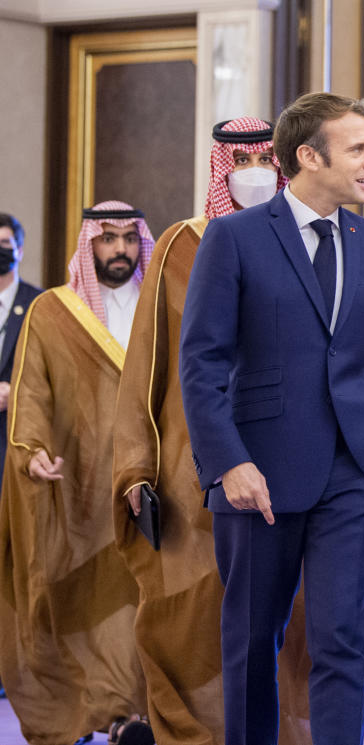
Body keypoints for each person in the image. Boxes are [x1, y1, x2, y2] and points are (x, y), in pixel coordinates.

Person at [179, 92, 364, 745]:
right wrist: (228, 460)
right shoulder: (233, 238)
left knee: (344, 639)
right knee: (254, 640)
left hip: (357, 469)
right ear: (308, 157)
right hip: (258, 472)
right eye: (358, 148)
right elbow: (200, 362)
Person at [112, 117, 314, 744]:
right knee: (186, 615)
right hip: (188, 468)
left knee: (279, 615)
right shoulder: (179, 245)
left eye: (264, 156)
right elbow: (147, 365)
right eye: (241, 157)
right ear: (219, 166)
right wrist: (136, 467)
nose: (253, 168)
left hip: (283, 460)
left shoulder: (306, 239)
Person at [0, 201, 154, 745]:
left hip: (154, 478)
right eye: (107, 239)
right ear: (88, 245)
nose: (120, 250)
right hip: (80, 480)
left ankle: (136, 713)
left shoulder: (163, 303)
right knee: (86, 597)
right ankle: (98, 712)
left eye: (130, 239)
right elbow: (31, 393)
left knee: (147, 596)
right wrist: (32, 449)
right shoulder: (53, 311)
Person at [0, 214, 42, 486]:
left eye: (5, 242)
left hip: (16, 436)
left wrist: (14, 391)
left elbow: (50, 370)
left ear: (20, 249)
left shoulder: (39, 303)